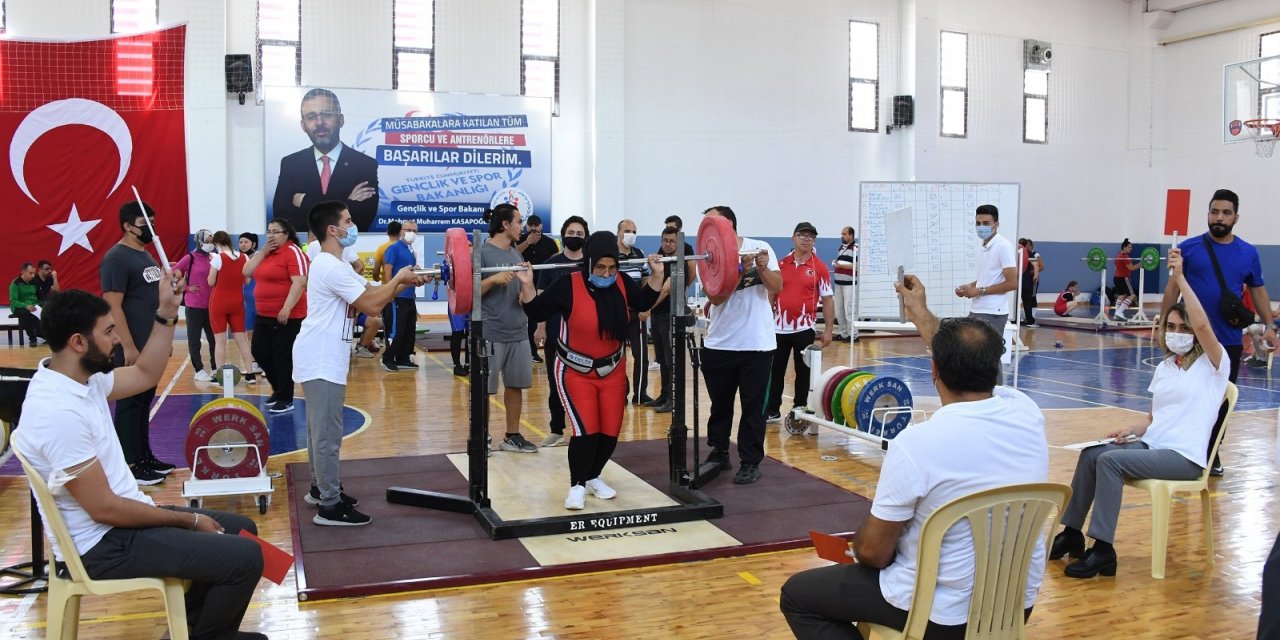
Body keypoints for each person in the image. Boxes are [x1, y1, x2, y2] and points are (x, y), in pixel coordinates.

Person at [780, 274, 1049, 639]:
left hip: (938, 616)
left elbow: (874, 553)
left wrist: (860, 546)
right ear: (993, 369)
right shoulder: (1026, 413)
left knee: (798, 595)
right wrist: (920, 313)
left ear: (934, 370)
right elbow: (966, 361)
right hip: (1015, 604)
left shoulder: (917, 443)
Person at [13, 287, 269, 640]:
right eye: (108, 331)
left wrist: (165, 313)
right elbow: (105, 509)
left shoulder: (80, 381)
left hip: (120, 524)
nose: (117, 339)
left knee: (242, 529)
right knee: (245, 558)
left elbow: (146, 373)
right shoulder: (57, 411)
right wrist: (190, 519)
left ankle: (195, 633)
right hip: (102, 546)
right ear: (78, 342)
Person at [1052, 247, 1227, 578]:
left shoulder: (1213, 365)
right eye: (1172, 326)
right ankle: (1072, 534)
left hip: (1185, 457)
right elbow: (1152, 419)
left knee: (1110, 462)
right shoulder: (1165, 367)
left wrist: (1179, 278)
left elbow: (1203, 323)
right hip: (1153, 445)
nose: (1177, 332)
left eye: (1184, 328)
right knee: (1092, 454)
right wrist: (1129, 430)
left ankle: (1103, 550)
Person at [295, 201, 430, 526]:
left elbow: (368, 289)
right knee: (327, 434)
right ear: (333, 230)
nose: (353, 226)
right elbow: (371, 305)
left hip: (324, 355)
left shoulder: (335, 264)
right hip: (321, 356)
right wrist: (397, 278)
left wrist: (401, 282)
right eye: (348, 221)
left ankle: (320, 488)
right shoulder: (329, 265)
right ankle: (329, 505)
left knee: (319, 430)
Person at [518, 231, 664, 509]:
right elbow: (536, 312)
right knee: (586, 431)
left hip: (613, 370)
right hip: (574, 371)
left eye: (611, 268)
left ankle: (594, 476)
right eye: (600, 267)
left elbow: (644, 302)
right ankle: (576, 485)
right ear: (589, 263)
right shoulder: (567, 285)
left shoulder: (621, 282)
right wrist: (527, 285)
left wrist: (656, 275)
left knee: (610, 431)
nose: (606, 273)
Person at [1160, 188, 1274, 476]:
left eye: (1225, 212)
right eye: (1214, 211)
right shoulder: (1187, 249)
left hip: (1228, 341)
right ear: (1208, 214)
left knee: (1220, 401)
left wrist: (1270, 325)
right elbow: (1173, 289)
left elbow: (1258, 289)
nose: (1219, 217)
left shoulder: (1248, 253)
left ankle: (1211, 453)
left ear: (1236, 217)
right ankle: (1180, 448)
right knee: (1183, 397)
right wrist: (1163, 325)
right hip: (1189, 341)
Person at [699, 206, 781, 485]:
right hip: (720, 343)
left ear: (728, 225)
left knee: (753, 406)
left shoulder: (760, 247)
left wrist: (759, 267)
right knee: (720, 405)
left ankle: (749, 461)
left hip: (756, 345)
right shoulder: (707, 255)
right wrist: (737, 270)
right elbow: (717, 298)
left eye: (712, 220)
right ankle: (719, 452)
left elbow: (777, 285)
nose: (707, 226)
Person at [100, 201, 172, 485]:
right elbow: (113, 305)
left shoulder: (147, 256)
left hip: (151, 343)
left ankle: (144, 456)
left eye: (153, 222)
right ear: (128, 225)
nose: (151, 229)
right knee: (130, 404)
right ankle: (129, 465)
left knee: (144, 402)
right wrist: (127, 346)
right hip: (133, 345)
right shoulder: (116, 258)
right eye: (145, 224)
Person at [272, 88, 379, 231]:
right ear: (303, 125)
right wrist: (347, 202)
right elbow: (282, 217)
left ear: (340, 120)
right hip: (306, 247)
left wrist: (304, 201)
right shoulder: (291, 164)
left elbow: (362, 219)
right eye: (311, 117)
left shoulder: (365, 164)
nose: (319, 122)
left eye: (326, 114)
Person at [480, 204, 539, 453]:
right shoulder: (482, 253)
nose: (521, 227)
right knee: (485, 389)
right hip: (491, 331)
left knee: (515, 386)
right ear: (505, 224)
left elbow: (528, 294)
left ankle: (512, 436)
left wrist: (527, 288)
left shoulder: (516, 254)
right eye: (518, 221)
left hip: (518, 331)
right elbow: (467, 294)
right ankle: (481, 436)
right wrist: (492, 279)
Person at [765, 222, 834, 423]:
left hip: (804, 328)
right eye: (802, 235)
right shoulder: (780, 264)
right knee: (775, 371)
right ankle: (772, 410)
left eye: (810, 236)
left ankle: (799, 408)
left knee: (803, 372)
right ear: (793, 238)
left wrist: (828, 329)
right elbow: (771, 291)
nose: (806, 239)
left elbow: (828, 299)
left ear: (814, 241)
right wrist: (767, 318)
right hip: (778, 328)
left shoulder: (819, 268)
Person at [533, 216, 590, 446]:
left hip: (584, 335)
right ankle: (557, 429)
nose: (574, 237)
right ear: (563, 234)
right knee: (556, 381)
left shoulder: (590, 265)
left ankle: (584, 428)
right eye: (571, 233)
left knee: (584, 383)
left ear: (585, 237)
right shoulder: (550, 264)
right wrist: (540, 327)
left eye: (579, 234)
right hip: (556, 333)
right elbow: (540, 297)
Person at [245, 217, 309, 414]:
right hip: (263, 313)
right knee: (260, 352)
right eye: (269, 231)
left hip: (287, 315)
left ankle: (286, 397)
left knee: (282, 356)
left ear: (286, 234)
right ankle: (279, 390)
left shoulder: (293, 252)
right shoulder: (265, 254)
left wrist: (287, 308)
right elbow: (246, 270)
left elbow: (300, 282)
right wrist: (263, 251)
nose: (271, 235)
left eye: (275, 232)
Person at [645, 225, 696, 415]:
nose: (667, 244)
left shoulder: (678, 262)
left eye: (671, 241)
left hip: (670, 315)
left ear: (678, 243)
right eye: (665, 241)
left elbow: (665, 289)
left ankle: (673, 399)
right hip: (658, 315)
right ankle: (664, 395)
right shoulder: (659, 257)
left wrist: (647, 307)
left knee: (671, 360)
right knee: (661, 359)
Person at [954, 204, 1016, 340]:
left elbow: (1012, 283)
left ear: (996, 224)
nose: (981, 227)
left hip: (993, 311)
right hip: (977, 308)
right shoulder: (982, 246)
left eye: (986, 223)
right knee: (972, 353)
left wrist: (980, 290)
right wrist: (970, 286)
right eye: (978, 223)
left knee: (987, 356)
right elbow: (988, 277)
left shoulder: (1003, 246)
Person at [208, 231, 257, 386]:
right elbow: (247, 281)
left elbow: (210, 282)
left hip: (219, 303)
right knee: (242, 340)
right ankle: (250, 374)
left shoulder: (217, 258)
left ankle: (219, 376)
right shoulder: (244, 257)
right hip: (237, 303)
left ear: (216, 244)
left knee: (220, 341)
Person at [616, 218, 653, 404]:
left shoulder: (639, 254)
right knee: (617, 357)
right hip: (617, 314)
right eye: (627, 231)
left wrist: (645, 306)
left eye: (634, 232)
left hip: (637, 313)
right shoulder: (611, 255)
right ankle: (620, 393)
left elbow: (646, 281)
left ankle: (640, 394)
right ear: (618, 233)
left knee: (642, 356)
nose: (631, 235)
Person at [174, 230, 218, 383]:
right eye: (207, 240)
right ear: (199, 241)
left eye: (212, 240)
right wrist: (186, 287)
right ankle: (198, 370)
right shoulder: (190, 258)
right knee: (195, 339)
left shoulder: (213, 258)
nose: (210, 243)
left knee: (214, 339)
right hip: (194, 306)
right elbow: (173, 273)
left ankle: (215, 367)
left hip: (211, 306)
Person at [381, 220, 422, 372]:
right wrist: (389, 291)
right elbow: (388, 268)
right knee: (396, 330)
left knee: (409, 329)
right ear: (401, 231)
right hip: (397, 296)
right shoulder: (394, 248)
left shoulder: (410, 250)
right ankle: (388, 358)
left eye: (414, 231)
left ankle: (403, 358)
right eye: (408, 229)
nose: (412, 233)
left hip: (409, 296)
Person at [519, 214, 560, 363]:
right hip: (523, 286)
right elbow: (512, 255)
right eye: (531, 225)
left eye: (536, 225)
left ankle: (546, 350)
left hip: (544, 287)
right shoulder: (520, 239)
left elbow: (556, 261)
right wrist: (527, 243)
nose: (533, 228)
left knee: (541, 320)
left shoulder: (549, 242)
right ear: (526, 226)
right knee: (527, 322)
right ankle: (530, 351)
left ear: (541, 226)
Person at [831, 226, 858, 342]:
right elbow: (840, 262)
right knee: (838, 310)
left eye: (844, 234)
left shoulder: (856, 248)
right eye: (841, 234)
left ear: (851, 235)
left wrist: (841, 266)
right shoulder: (841, 248)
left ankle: (854, 335)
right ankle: (843, 333)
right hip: (838, 284)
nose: (842, 236)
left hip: (849, 284)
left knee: (849, 310)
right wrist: (836, 264)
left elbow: (857, 266)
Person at [9, 262, 43, 344]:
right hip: (19, 307)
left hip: (33, 306)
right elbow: (13, 301)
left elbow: (40, 298)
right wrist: (26, 306)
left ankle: (42, 333)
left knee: (46, 310)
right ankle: (32, 338)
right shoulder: (15, 284)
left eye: (33, 273)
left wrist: (37, 305)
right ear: (23, 272)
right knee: (25, 313)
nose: (33, 275)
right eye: (30, 273)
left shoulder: (35, 282)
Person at [238, 233, 259, 340]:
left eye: (246, 242)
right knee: (249, 332)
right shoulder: (237, 258)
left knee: (261, 332)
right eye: (240, 242)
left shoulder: (260, 257)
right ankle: (251, 356)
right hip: (246, 302)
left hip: (259, 299)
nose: (243, 245)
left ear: (253, 244)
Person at [1112, 239, 1138, 321]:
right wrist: (1141, 264)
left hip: (1116, 278)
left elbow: (1115, 267)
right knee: (1132, 295)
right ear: (1124, 247)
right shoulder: (1125, 257)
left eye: (1131, 247)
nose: (1131, 249)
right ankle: (1119, 312)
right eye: (1129, 247)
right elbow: (1132, 268)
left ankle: (1116, 315)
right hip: (1124, 279)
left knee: (1121, 295)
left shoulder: (1118, 255)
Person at [1017, 238, 1039, 326]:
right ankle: (1030, 320)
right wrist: (1035, 276)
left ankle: (1014, 319)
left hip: (1016, 282)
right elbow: (1036, 264)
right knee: (1027, 302)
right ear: (1026, 245)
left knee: (1015, 302)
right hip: (1026, 282)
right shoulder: (1028, 253)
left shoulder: (1014, 252)